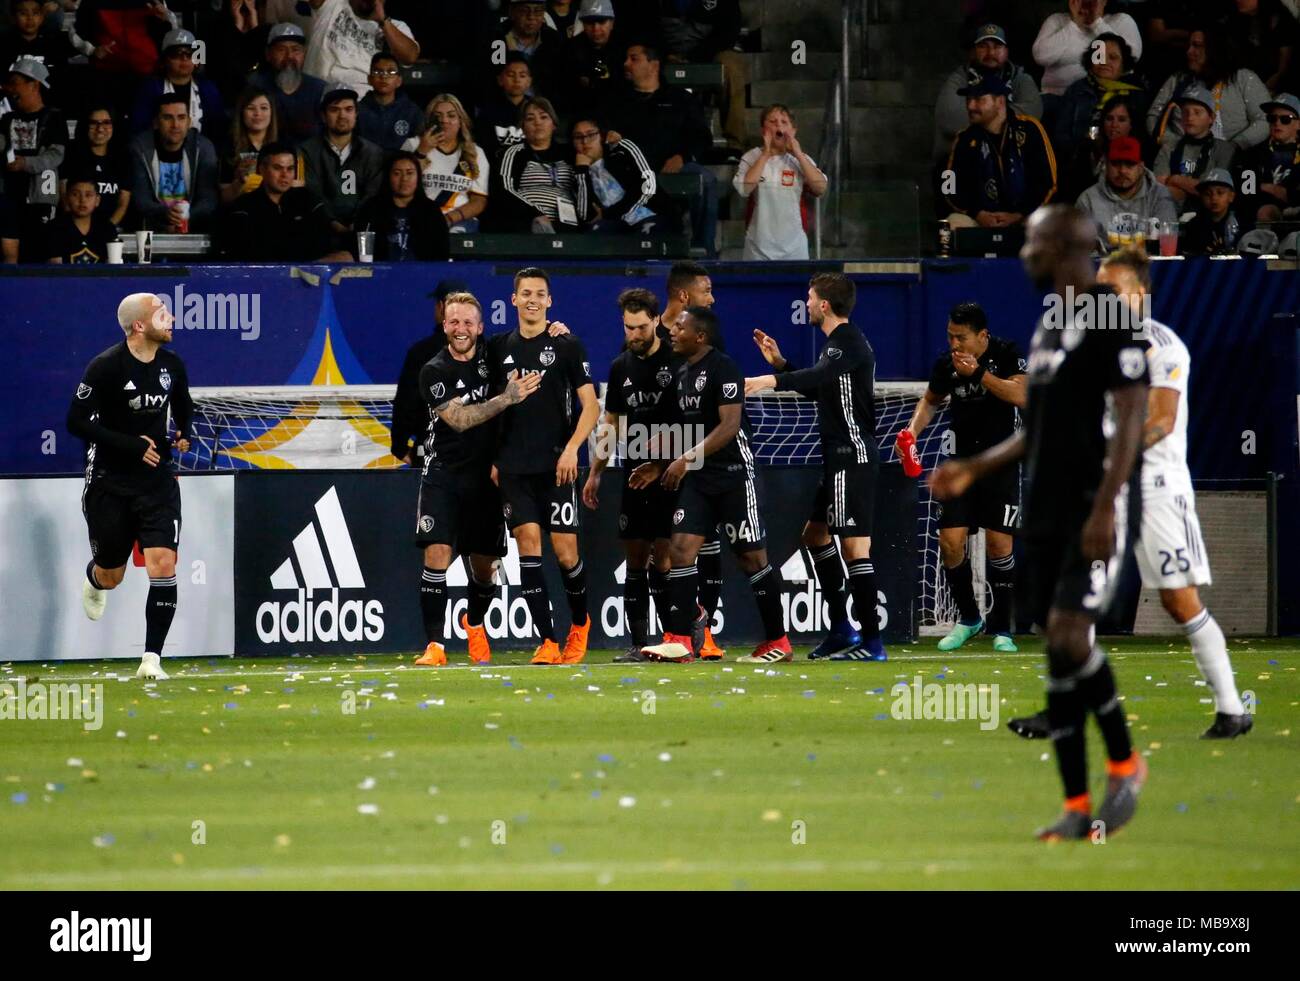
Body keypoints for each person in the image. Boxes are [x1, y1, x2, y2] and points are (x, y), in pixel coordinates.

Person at [930, 205, 1149, 841]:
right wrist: (975, 466)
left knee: (1068, 633)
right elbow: (1041, 427)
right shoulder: (1053, 321)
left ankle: (1126, 765)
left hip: (1091, 499)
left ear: (1061, 244)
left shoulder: (1109, 311)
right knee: (1057, 647)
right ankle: (1078, 805)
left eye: (1031, 242)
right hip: (1048, 502)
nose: (1023, 252)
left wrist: (1107, 504)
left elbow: (1132, 416)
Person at [1008, 248, 1252, 741]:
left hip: (1157, 488)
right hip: (1100, 492)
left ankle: (1231, 708)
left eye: (1113, 290)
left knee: (1178, 601)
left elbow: (1160, 420)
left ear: (1141, 295)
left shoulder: (1163, 346)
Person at [636, 306, 792, 664]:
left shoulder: (724, 367)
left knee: (752, 559)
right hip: (700, 478)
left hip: (735, 476)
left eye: (679, 326)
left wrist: (684, 460)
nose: (672, 331)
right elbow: (690, 428)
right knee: (680, 548)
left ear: (700, 336)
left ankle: (777, 641)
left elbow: (729, 426)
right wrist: (659, 464)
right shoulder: (682, 373)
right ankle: (679, 639)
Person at [747, 273, 887, 662]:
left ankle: (873, 643)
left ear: (824, 305)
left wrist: (769, 379)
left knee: (856, 548)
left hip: (852, 455)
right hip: (839, 457)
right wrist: (781, 362)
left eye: (809, 298)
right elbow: (820, 389)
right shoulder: (837, 346)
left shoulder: (846, 344)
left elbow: (820, 377)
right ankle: (842, 629)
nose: (805, 303)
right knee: (815, 535)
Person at [412, 291, 543, 667]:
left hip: (486, 479)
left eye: (468, 322)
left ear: (480, 327)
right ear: (444, 325)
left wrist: (555, 329)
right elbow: (460, 419)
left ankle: (473, 622)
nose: (461, 329)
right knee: (436, 555)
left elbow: (530, 336)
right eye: (454, 322)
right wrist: (506, 398)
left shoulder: (492, 352)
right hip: (443, 475)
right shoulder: (433, 370)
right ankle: (435, 646)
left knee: (484, 568)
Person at [68, 292, 193, 684]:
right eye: (161, 313)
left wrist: (184, 431)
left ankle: (152, 658)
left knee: (164, 564)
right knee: (112, 574)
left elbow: (184, 403)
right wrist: (132, 445)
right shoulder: (105, 367)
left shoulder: (171, 364)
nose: (171, 317)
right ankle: (94, 579)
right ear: (139, 326)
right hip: (110, 480)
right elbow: (76, 422)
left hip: (157, 482)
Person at [584, 289, 706, 661]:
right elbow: (611, 422)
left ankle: (677, 635)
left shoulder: (678, 362)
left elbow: (695, 425)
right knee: (636, 558)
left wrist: (662, 464)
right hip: (635, 474)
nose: (634, 334)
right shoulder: (621, 366)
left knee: (665, 557)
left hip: (671, 474)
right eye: (628, 327)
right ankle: (638, 645)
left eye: (640, 327)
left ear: (656, 321)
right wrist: (596, 473)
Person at [487, 267, 601, 665]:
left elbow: (592, 406)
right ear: (513, 299)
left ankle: (580, 625)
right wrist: (495, 459)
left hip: (557, 466)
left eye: (540, 294)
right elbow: (488, 409)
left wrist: (572, 449)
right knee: (528, 549)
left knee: (565, 551)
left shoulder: (567, 346)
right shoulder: (497, 348)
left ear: (549, 302)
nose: (532, 299)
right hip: (515, 468)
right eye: (525, 293)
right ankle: (548, 641)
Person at [899, 301, 1026, 653]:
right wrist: (911, 433)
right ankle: (970, 619)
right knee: (950, 542)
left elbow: (1023, 395)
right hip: (959, 467)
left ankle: (1002, 628)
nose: (955, 344)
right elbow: (929, 401)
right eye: (950, 336)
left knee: (1001, 545)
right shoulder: (946, 363)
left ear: (982, 336)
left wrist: (980, 375)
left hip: (1000, 464)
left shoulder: (1006, 354)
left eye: (962, 338)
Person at [603, 42, 718, 255]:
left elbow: (702, 137)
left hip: (672, 168)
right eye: (627, 59)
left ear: (653, 65)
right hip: (631, 174)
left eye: (634, 58)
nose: (626, 63)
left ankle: (704, 250)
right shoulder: (617, 101)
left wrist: (683, 157)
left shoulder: (681, 98)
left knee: (706, 180)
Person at [942, 73, 1057, 228]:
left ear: (1000, 101)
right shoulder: (965, 138)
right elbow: (950, 187)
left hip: (1025, 216)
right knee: (953, 223)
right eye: (968, 99)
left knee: (1046, 223)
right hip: (981, 217)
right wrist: (977, 213)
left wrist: (1019, 214)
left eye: (979, 99)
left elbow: (1048, 182)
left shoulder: (1030, 129)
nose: (970, 106)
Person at [933, 22, 1043, 165]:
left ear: (1006, 51)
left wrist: (979, 116)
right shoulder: (959, 78)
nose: (991, 53)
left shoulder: (1021, 79)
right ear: (973, 51)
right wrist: (999, 118)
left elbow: (1032, 115)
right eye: (983, 46)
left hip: (1008, 160)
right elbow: (950, 119)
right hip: (959, 160)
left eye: (997, 46)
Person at [1148, 28, 1269, 151]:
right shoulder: (1178, 79)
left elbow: (1265, 119)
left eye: (1197, 46)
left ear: (1215, 49)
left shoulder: (1243, 78)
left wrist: (1234, 146)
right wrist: (1176, 145)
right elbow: (1154, 116)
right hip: (1181, 159)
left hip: (1234, 159)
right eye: (1189, 46)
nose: (1189, 52)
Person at [732, 104, 827, 260]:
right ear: (763, 129)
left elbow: (820, 187)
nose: (778, 125)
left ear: (793, 130)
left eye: (784, 122)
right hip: (758, 248)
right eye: (773, 121)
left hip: (795, 248)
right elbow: (744, 189)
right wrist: (765, 155)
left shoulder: (801, 160)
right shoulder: (751, 157)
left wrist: (798, 153)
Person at [219, 140, 340, 261]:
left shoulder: (308, 200)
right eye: (277, 168)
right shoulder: (243, 207)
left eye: (290, 169)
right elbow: (245, 253)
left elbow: (324, 242)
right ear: (262, 169)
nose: (285, 175)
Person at [391, 277, 468, 465]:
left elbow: (407, 403)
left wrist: (399, 445)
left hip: (431, 454)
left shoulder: (420, 353)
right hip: (472, 458)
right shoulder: (484, 352)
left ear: (441, 307)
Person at [297, 87, 385, 247]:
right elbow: (311, 192)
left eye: (348, 109)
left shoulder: (373, 152)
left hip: (363, 232)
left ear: (356, 114)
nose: (342, 115)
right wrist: (331, 221)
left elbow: (373, 195)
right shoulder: (306, 151)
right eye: (334, 110)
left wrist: (357, 222)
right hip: (318, 231)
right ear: (323, 116)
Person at [656, 0, 747, 154]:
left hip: (708, 53)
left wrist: (696, 55)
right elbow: (643, 25)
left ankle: (736, 146)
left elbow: (729, 30)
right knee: (638, 60)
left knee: (732, 67)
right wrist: (665, 53)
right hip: (662, 52)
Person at [1032, 0, 1143, 126]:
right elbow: (1041, 56)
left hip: (1101, 98)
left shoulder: (1121, 21)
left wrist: (1096, 22)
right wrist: (1073, 24)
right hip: (1055, 96)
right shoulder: (1057, 21)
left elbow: (1131, 56)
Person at [0, 56, 68, 259]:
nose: (11, 90)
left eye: (16, 84)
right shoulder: (6, 118)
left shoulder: (54, 117)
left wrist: (24, 164)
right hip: (9, 196)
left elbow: (55, 156)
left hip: (41, 200)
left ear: (34, 85)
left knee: (44, 252)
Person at [1053, 32, 1147, 173]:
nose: (1104, 62)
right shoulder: (1077, 90)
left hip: (1126, 164)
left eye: (1113, 58)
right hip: (1080, 164)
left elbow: (1142, 138)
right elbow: (1060, 135)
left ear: (1124, 64)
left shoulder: (1136, 94)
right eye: (1099, 56)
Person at [125, 93, 219, 233]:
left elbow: (208, 199)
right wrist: (164, 213)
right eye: (168, 118)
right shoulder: (140, 148)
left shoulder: (203, 147)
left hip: (193, 229)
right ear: (156, 122)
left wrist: (185, 217)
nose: (175, 125)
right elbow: (141, 199)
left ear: (189, 122)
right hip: (149, 230)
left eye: (181, 118)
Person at [490, 96, 584, 233]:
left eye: (543, 117)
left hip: (568, 224)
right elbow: (505, 189)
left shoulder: (569, 153)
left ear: (554, 124)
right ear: (522, 127)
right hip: (526, 223)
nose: (537, 122)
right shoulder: (513, 153)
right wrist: (535, 214)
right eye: (530, 119)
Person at [571, 116, 679, 235]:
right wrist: (582, 171)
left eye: (591, 134)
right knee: (594, 233)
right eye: (578, 137)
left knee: (648, 233)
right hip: (615, 224)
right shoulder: (577, 173)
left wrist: (609, 213)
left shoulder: (623, 149)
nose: (585, 141)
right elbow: (586, 216)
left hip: (649, 214)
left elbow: (648, 185)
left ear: (601, 135)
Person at [404, 93, 489, 233]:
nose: (444, 120)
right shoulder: (413, 145)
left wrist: (449, 219)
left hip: (460, 219)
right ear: (429, 120)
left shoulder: (475, 152)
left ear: (461, 121)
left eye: (451, 116)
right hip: (419, 217)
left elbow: (479, 201)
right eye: (437, 116)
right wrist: (422, 152)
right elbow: (401, 186)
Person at [304, 0, 419, 97]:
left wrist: (383, 21)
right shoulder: (333, 3)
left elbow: (410, 56)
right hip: (315, 92)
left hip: (358, 102)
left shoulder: (394, 26)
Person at [1076, 135, 1179, 244]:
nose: (1122, 171)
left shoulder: (1159, 196)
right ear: (1106, 165)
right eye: (1116, 164)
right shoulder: (1087, 200)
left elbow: (1167, 242)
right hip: (1105, 261)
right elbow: (1078, 248)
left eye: (1130, 164)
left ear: (1141, 168)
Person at [130, 28, 226, 141]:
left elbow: (218, 129)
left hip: (200, 151)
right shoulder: (150, 88)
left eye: (190, 54)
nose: (184, 58)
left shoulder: (208, 88)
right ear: (164, 60)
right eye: (176, 54)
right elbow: (139, 129)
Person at [351, 151, 449, 260]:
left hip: (421, 274)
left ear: (418, 176)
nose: (404, 179)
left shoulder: (431, 210)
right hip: (382, 273)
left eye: (410, 173)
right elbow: (362, 251)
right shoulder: (371, 208)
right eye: (397, 173)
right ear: (388, 176)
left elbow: (441, 252)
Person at [1153, 84, 1239, 205]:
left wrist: (1174, 179)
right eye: (1185, 112)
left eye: (1197, 112)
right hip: (1172, 209)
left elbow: (1213, 191)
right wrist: (1191, 186)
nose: (1190, 117)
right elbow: (1158, 186)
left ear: (1211, 118)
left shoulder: (1224, 149)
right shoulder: (1169, 145)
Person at [247, 22, 327, 147]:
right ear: (268, 54)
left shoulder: (320, 89)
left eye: (296, 50)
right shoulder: (255, 86)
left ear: (304, 54)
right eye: (281, 50)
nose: (289, 56)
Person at [1060, 92, 1151, 202]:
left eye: (1121, 120)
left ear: (1131, 124)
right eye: (1109, 118)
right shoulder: (1088, 148)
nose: (1114, 125)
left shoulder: (1141, 152)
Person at [62, 104, 131, 229]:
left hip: (111, 230)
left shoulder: (123, 158)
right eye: (94, 123)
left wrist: (106, 229)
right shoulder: (71, 156)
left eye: (106, 123)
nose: (100, 128)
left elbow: (123, 203)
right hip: (76, 229)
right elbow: (65, 198)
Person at [483, 0, 563, 105]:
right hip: (502, 108)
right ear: (512, 12)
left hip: (542, 109)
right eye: (525, 11)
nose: (531, 17)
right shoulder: (497, 38)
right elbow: (489, 79)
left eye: (538, 11)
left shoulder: (553, 40)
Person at [1236, 91, 1300, 222]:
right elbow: (1246, 193)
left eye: (1285, 119)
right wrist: (1279, 192)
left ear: (1298, 124)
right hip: (1263, 216)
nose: (1277, 123)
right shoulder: (1252, 154)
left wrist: (1268, 188)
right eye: (1272, 118)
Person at [0, 0, 77, 107]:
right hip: (12, 108)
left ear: (42, 17)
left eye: (35, 13)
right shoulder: (5, 46)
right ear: (13, 18)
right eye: (23, 13)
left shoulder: (55, 42)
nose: (30, 18)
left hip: (49, 107)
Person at [559, 0, 625, 115]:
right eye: (590, 22)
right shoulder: (570, 50)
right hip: (582, 113)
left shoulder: (624, 48)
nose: (596, 29)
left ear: (612, 23)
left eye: (601, 21)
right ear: (583, 24)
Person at [218, 86, 277, 205]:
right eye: (251, 108)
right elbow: (224, 198)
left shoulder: (282, 145)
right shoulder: (229, 147)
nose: (258, 114)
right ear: (241, 113)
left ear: (272, 112)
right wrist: (239, 182)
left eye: (264, 108)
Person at [356, 50, 422, 151]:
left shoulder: (411, 111)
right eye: (377, 71)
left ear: (399, 81)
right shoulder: (357, 111)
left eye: (391, 72)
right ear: (369, 79)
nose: (384, 76)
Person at [44, 174, 116, 261]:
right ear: (66, 198)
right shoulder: (55, 228)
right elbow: (55, 270)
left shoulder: (107, 228)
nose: (82, 200)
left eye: (88, 195)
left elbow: (112, 266)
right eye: (75, 194)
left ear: (97, 200)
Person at [477, 53, 531, 164]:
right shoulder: (488, 111)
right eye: (511, 75)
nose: (517, 80)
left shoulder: (537, 109)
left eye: (522, 75)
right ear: (500, 80)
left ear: (529, 81)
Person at [1182, 169, 1247, 253]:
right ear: (1201, 197)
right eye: (1207, 194)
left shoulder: (1242, 225)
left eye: (1220, 193)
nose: (1214, 199)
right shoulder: (1194, 226)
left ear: (1231, 196)